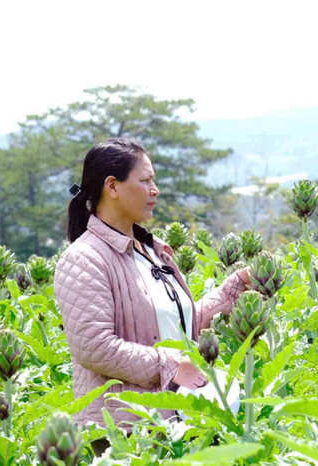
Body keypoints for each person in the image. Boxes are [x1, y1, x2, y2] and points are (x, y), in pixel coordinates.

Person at [53, 138, 252, 434]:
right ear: (112, 186)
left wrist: (232, 291)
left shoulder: (152, 251)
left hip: (174, 425)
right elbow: (94, 347)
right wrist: (170, 366)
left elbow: (174, 329)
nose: (155, 190)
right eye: (145, 181)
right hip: (125, 434)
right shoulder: (85, 258)